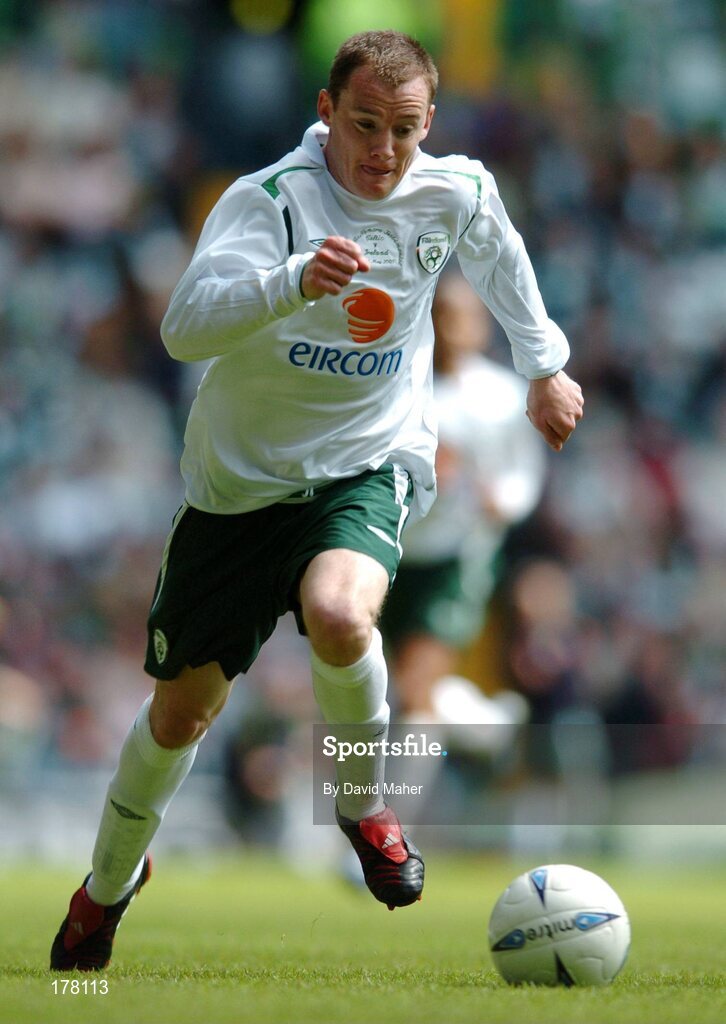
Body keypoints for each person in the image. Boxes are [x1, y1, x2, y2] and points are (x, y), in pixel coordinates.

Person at [50, 30, 583, 971]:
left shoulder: (452, 189)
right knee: (181, 715)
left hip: (364, 466)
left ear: (431, 125)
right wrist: (291, 282)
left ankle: (361, 798)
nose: (384, 152)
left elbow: (499, 253)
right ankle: (106, 887)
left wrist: (545, 366)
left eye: (406, 131)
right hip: (238, 491)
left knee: (341, 613)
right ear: (327, 113)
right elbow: (181, 330)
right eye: (366, 125)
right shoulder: (269, 204)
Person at [381, 270, 546, 728]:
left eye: (460, 317)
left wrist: (503, 503)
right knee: (400, 687)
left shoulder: (501, 397)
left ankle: (396, 797)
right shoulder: (396, 390)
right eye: (439, 317)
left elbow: (524, 474)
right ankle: (477, 726)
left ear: (480, 324)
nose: (450, 328)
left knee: (413, 685)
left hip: (459, 554)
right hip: (396, 552)